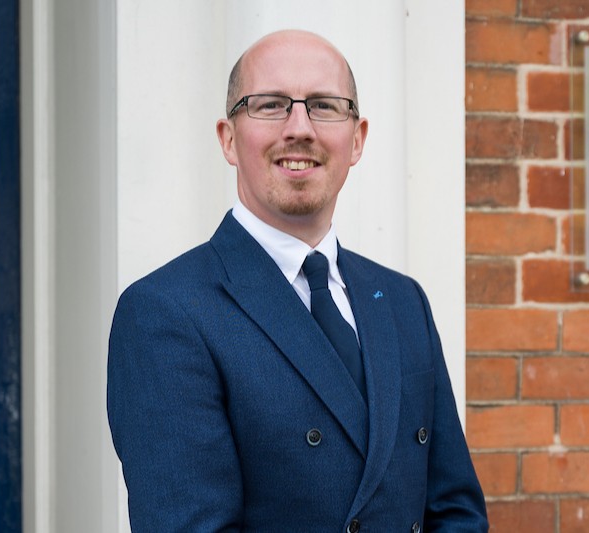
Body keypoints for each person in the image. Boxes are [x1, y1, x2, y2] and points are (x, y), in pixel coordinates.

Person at [107, 29, 488, 532]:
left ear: (357, 139)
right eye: (270, 105)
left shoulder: (402, 301)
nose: (300, 128)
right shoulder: (165, 312)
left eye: (325, 106)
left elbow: (456, 513)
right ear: (228, 138)